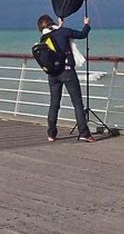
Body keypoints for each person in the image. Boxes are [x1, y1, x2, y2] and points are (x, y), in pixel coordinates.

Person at [37, 14, 95, 143]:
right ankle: (84, 133)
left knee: (54, 104)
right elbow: (81, 35)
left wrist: (60, 25)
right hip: (67, 72)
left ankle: (51, 134)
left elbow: (56, 41)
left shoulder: (44, 38)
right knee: (77, 104)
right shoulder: (63, 32)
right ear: (52, 23)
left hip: (53, 74)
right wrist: (86, 24)